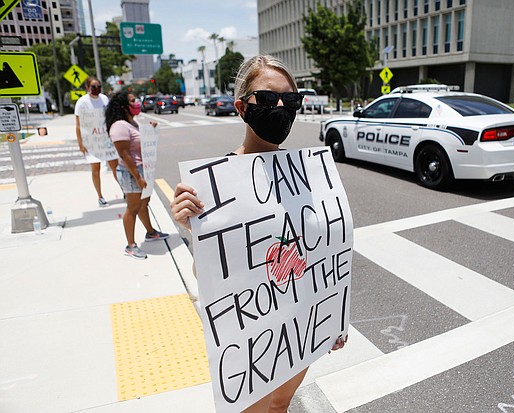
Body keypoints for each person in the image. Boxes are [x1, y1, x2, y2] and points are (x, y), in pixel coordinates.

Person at [169, 55, 347, 413]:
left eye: (290, 100)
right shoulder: (213, 188)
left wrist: (332, 315)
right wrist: (193, 231)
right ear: (241, 107)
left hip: (298, 322)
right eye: (266, 99)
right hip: (252, 332)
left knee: (281, 403)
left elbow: (325, 252)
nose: (280, 108)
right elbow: (208, 278)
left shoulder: (309, 178)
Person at [105, 91, 169, 260]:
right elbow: (125, 155)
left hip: (142, 170)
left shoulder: (131, 122)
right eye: (133, 101)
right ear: (123, 106)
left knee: (144, 203)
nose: (137, 103)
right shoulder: (119, 126)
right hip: (131, 173)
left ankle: (151, 232)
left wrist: (151, 129)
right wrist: (138, 178)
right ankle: (131, 245)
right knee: (133, 208)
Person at [75, 76, 119, 207]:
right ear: (88, 88)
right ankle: (100, 196)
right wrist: (80, 143)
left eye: (99, 86)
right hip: (92, 141)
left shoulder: (104, 99)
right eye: (93, 87)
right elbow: (78, 125)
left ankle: (125, 190)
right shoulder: (82, 102)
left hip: (106, 139)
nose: (96, 89)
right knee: (96, 169)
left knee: (115, 167)